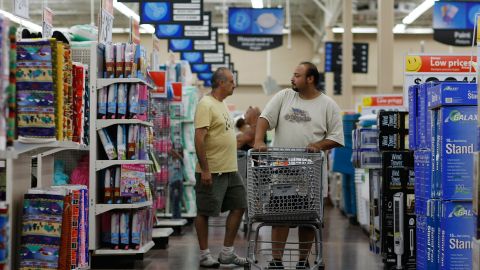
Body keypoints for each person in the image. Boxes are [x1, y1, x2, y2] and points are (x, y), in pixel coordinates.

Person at [253, 62, 344, 269]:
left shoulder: (328, 105)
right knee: (279, 216)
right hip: (282, 171)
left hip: (310, 174)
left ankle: (303, 261)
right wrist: (259, 141)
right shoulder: (284, 96)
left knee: (308, 219)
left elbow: (337, 138)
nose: (292, 79)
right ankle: (277, 261)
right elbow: (264, 118)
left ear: (310, 79)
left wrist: (318, 145)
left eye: (297, 75)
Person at [194, 67, 248, 268]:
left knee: (240, 204)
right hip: (212, 169)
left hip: (230, 169)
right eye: (231, 81)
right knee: (204, 211)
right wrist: (205, 169)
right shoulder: (205, 104)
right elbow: (199, 138)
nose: (234, 84)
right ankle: (204, 254)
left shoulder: (221, 104)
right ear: (221, 82)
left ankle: (227, 253)